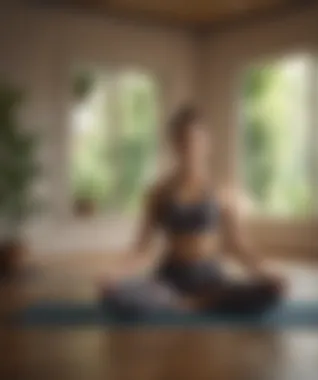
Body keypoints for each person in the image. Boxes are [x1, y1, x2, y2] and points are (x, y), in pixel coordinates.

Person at [100, 106, 286, 318]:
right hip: (170, 280)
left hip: (211, 280)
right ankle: (185, 303)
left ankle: (199, 302)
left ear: (207, 144)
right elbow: (141, 248)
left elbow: (238, 245)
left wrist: (267, 271)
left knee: (271, 292)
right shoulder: (159, 192)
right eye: (183, 141)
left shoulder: (222, 191)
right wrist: (114, 274)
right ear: (174, 145)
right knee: (113, 298)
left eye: (196, 141)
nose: (190, 148)